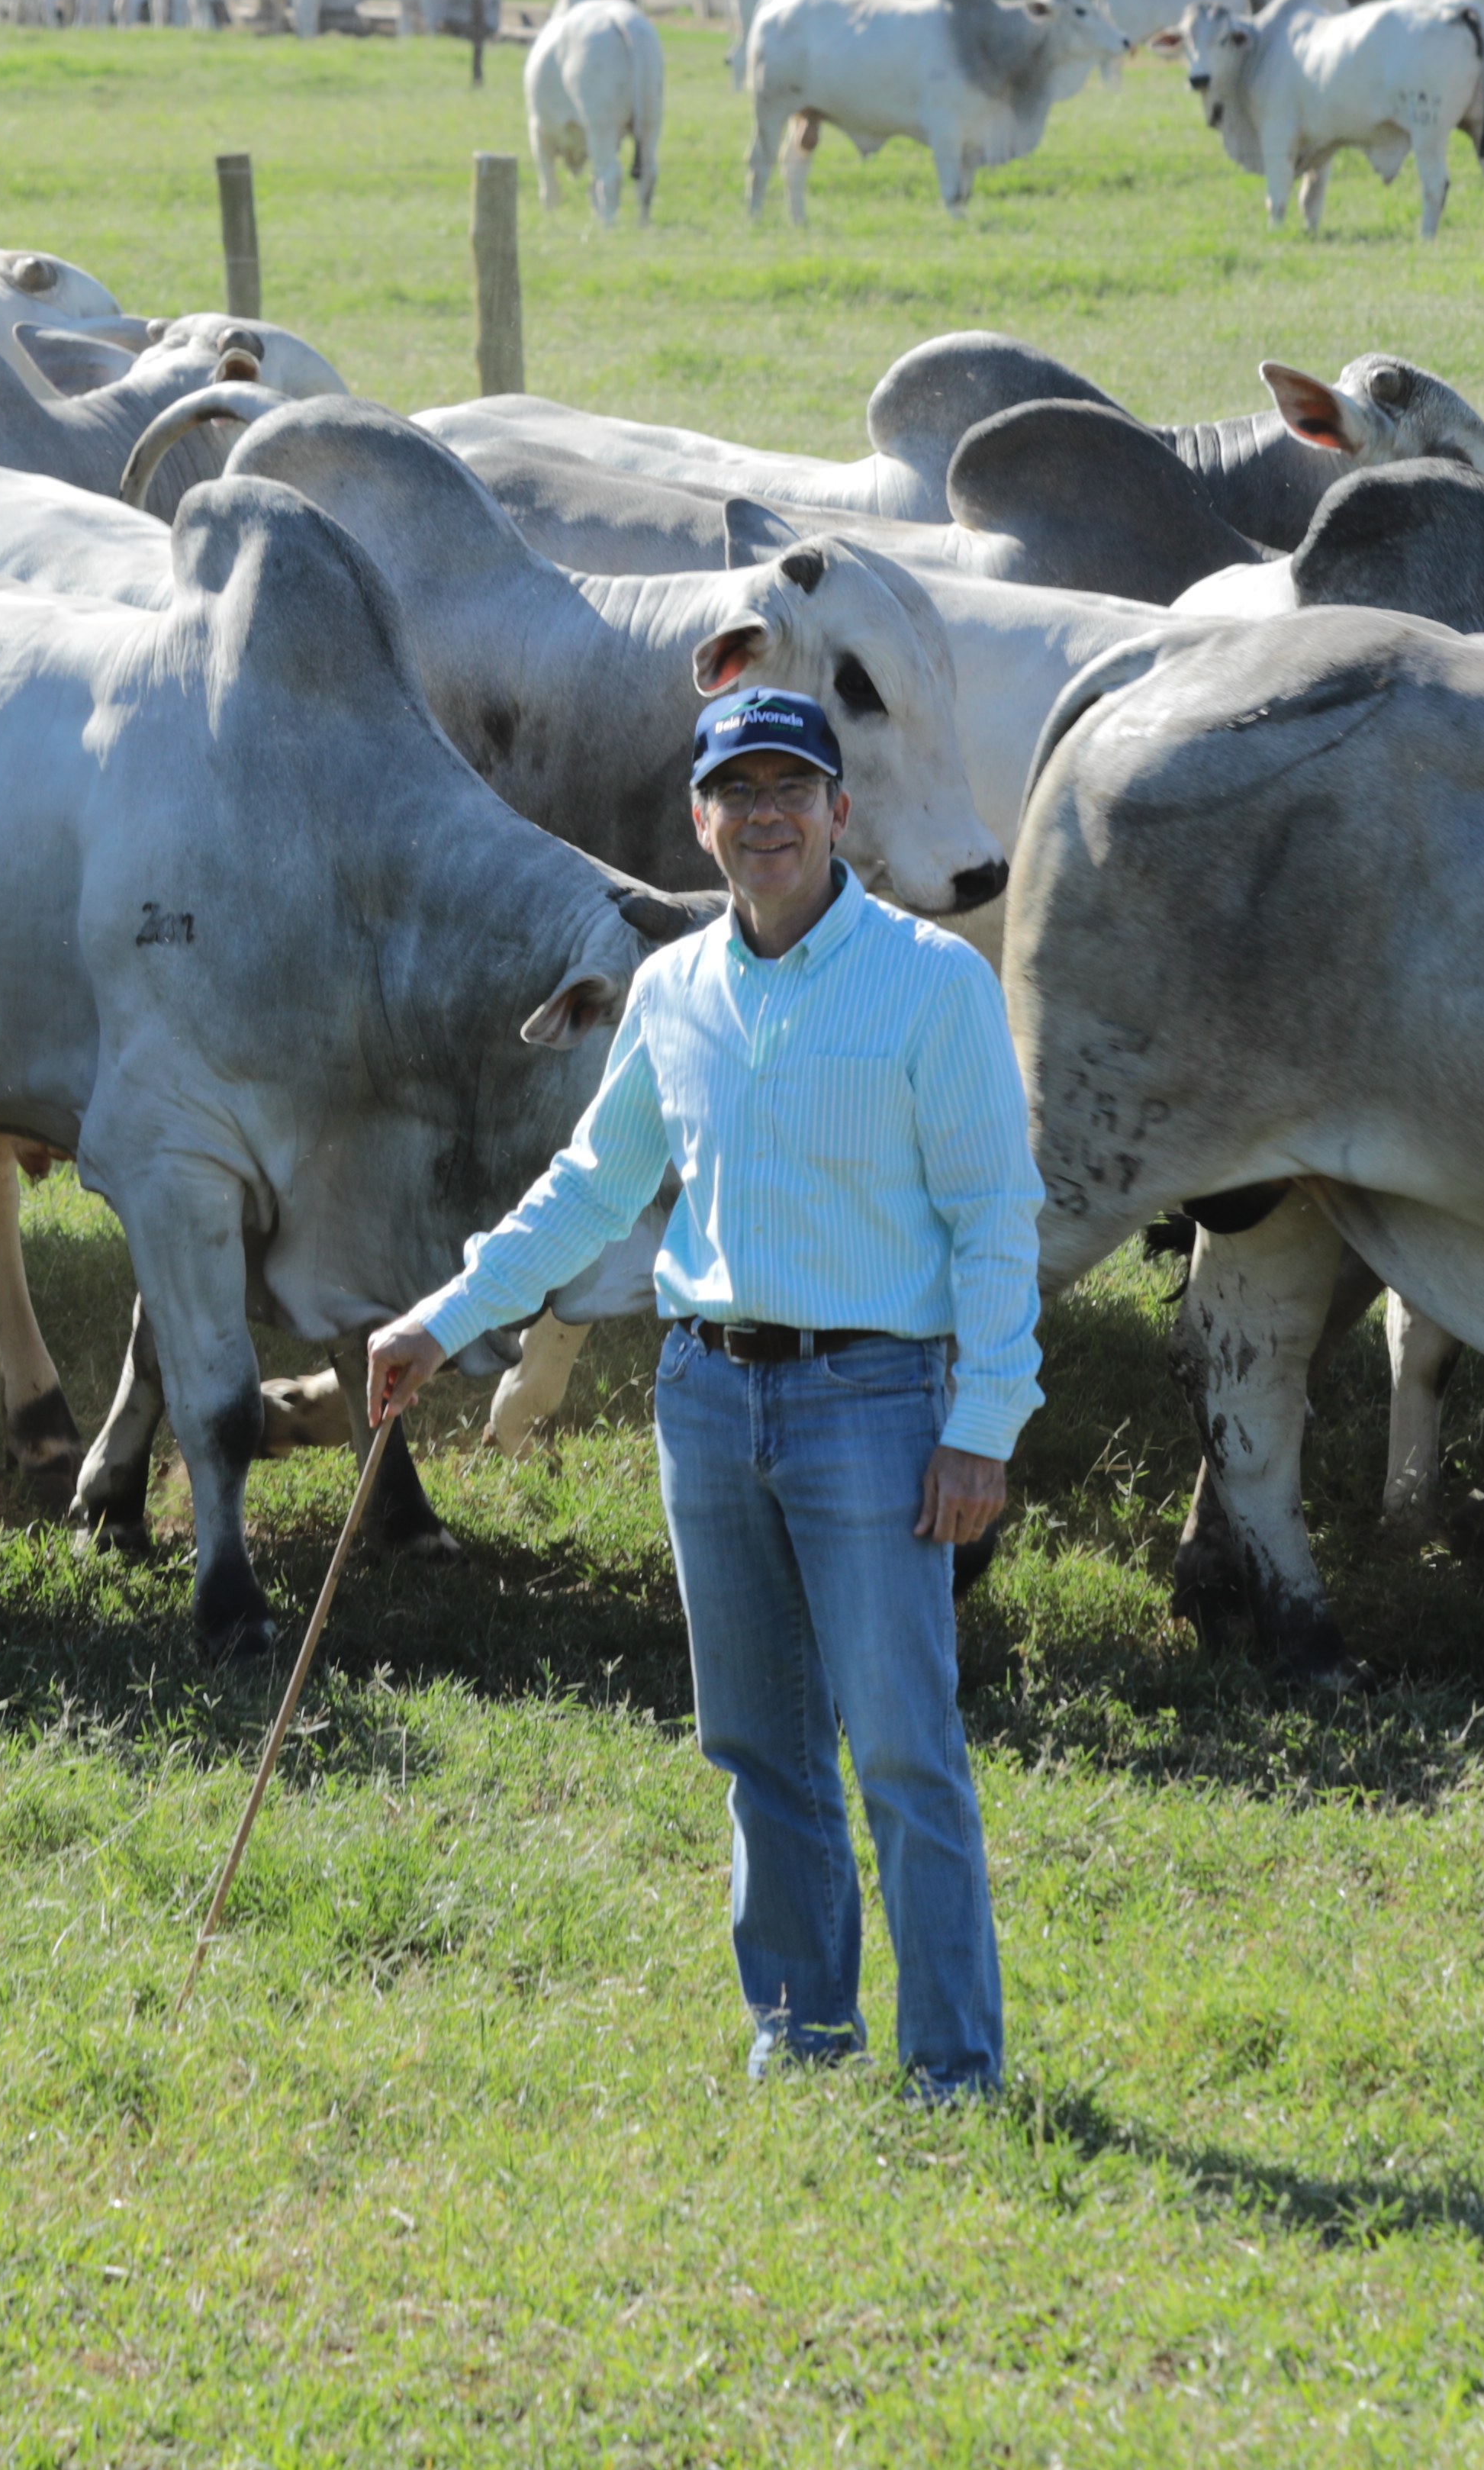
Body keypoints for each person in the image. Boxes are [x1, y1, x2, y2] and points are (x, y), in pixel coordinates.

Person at [367, 682, 1039, 2099]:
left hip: (876, 1402)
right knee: (755, 1742)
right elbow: (591, 1191)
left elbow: (994, 1222)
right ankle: (800, 2040)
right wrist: (443, 1318)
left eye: (794, 789)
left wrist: (981, 1429)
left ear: (843, 813)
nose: (766, 816)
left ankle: (956, 2070)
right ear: (702, 819)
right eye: (739, 794)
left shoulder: (934, 983)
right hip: (709, 1401)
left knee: (906, 1749)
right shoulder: (672, 991)